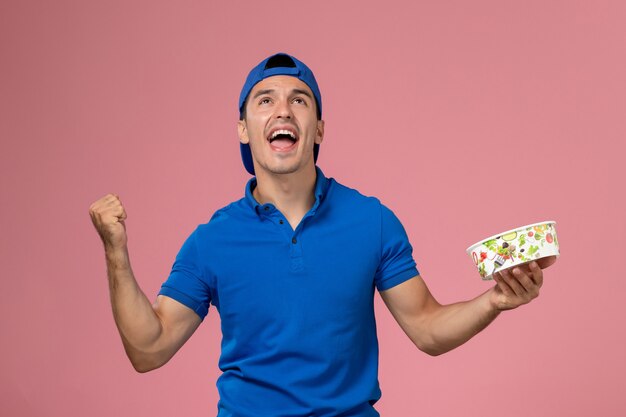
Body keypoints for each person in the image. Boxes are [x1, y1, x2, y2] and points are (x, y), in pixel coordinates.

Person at [89, 53, 556, 417]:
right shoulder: (212, 240)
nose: (282, 110)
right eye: (264, 100)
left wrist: (493, 301)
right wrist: (116, 252)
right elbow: (149, 350)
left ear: (318, 129)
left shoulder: (371, 221)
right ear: (243, 129)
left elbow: (428, 328)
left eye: (299, 99)